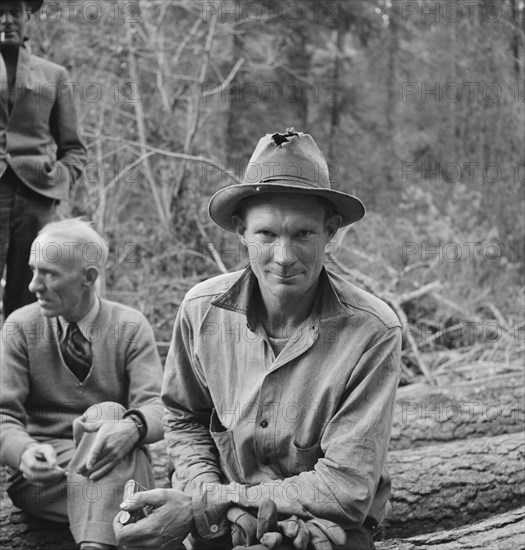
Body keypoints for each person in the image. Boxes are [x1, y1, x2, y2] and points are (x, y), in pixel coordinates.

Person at [114, 129, 402, 550]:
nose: (284, 257)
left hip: (323, 530)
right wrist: (215, 503)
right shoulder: (201, 310)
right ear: (241, 232)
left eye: (303, 234)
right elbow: (183, 416)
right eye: (266, 234)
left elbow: (345, 488)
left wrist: (209, 504)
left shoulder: (372, 331)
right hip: (221, 520)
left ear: (331, 231)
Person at [0, 219, 164, 550]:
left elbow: (160, 408)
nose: (33, 285)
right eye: (33, 270)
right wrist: (26, 452)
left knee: (108, 414)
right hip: (47, 479)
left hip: (111, 459)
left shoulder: (129, 327)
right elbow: (3, 416)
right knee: (127, 489)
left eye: (49, 273)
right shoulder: (19, 327)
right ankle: (128, 520)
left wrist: (132, 428)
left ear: (88, 278)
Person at [0, 0, 86, 317]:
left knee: (30, 290)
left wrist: (57, 181)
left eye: (14, 12)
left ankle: (19, 361)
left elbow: (74, 148)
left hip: (36, 196)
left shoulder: (53, 74)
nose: (6, 19)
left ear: (27, 17)